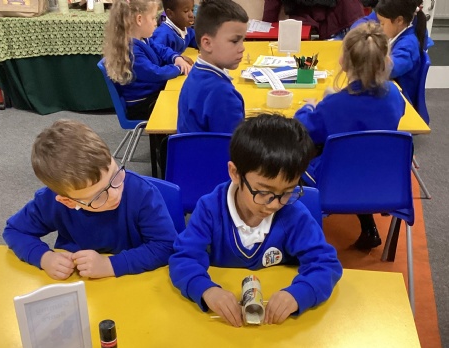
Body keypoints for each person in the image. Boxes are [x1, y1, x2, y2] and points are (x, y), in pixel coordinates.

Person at [169, 114, 343, 327]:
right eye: (263, 192)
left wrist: (299, 293)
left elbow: (326, 263)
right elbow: (184, 258)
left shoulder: (293, 213)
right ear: (235, 173)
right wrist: (206, 290)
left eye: (287, 192)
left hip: (278, 325)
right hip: (222, 322)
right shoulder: (210, 209)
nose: (274, 204)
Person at [3, 120, 177, 280]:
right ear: (68, 202)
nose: (114, 194)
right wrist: (44, 257)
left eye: (115, 175)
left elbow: (166, 246)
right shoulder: (50, 201)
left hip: (133, 279)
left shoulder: (142, 193)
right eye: (99, 196)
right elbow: (15, 230)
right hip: (78, 281)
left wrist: (110, 265)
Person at [294, 22, 405, 250]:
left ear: (343, 61)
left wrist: (308, 107)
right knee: (359, 153)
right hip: (384, 179)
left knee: (298, 156)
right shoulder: (394, 94)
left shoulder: (333, 106)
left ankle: (303, 236)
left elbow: (304, 128)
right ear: (385, 61)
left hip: (337, 180)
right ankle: (369, 227)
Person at [102, 0, 192, 120]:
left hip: (151, 95)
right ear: (139, 20)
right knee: (182, 107)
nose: (156, 23)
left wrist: (176, 57)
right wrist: (178, 68)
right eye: (153, 18)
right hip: (142, 104)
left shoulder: (144, 39)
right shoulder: (132, 51)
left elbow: (161, 49)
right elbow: (156, 73)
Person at [177, 0, 248, 134]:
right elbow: (234, 145)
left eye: (243, 40)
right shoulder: (223, 94)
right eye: (235, 41)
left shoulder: (195, 74)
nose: (242, 48)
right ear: (207, 43)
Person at [375, 0, 427, 105]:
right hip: (391, 91)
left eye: (382, 23)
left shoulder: (408, 45)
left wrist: (366, 61)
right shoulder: (398, 33)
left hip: (401, 99)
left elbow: (391, 69)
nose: (380, 27)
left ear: (399, 20)